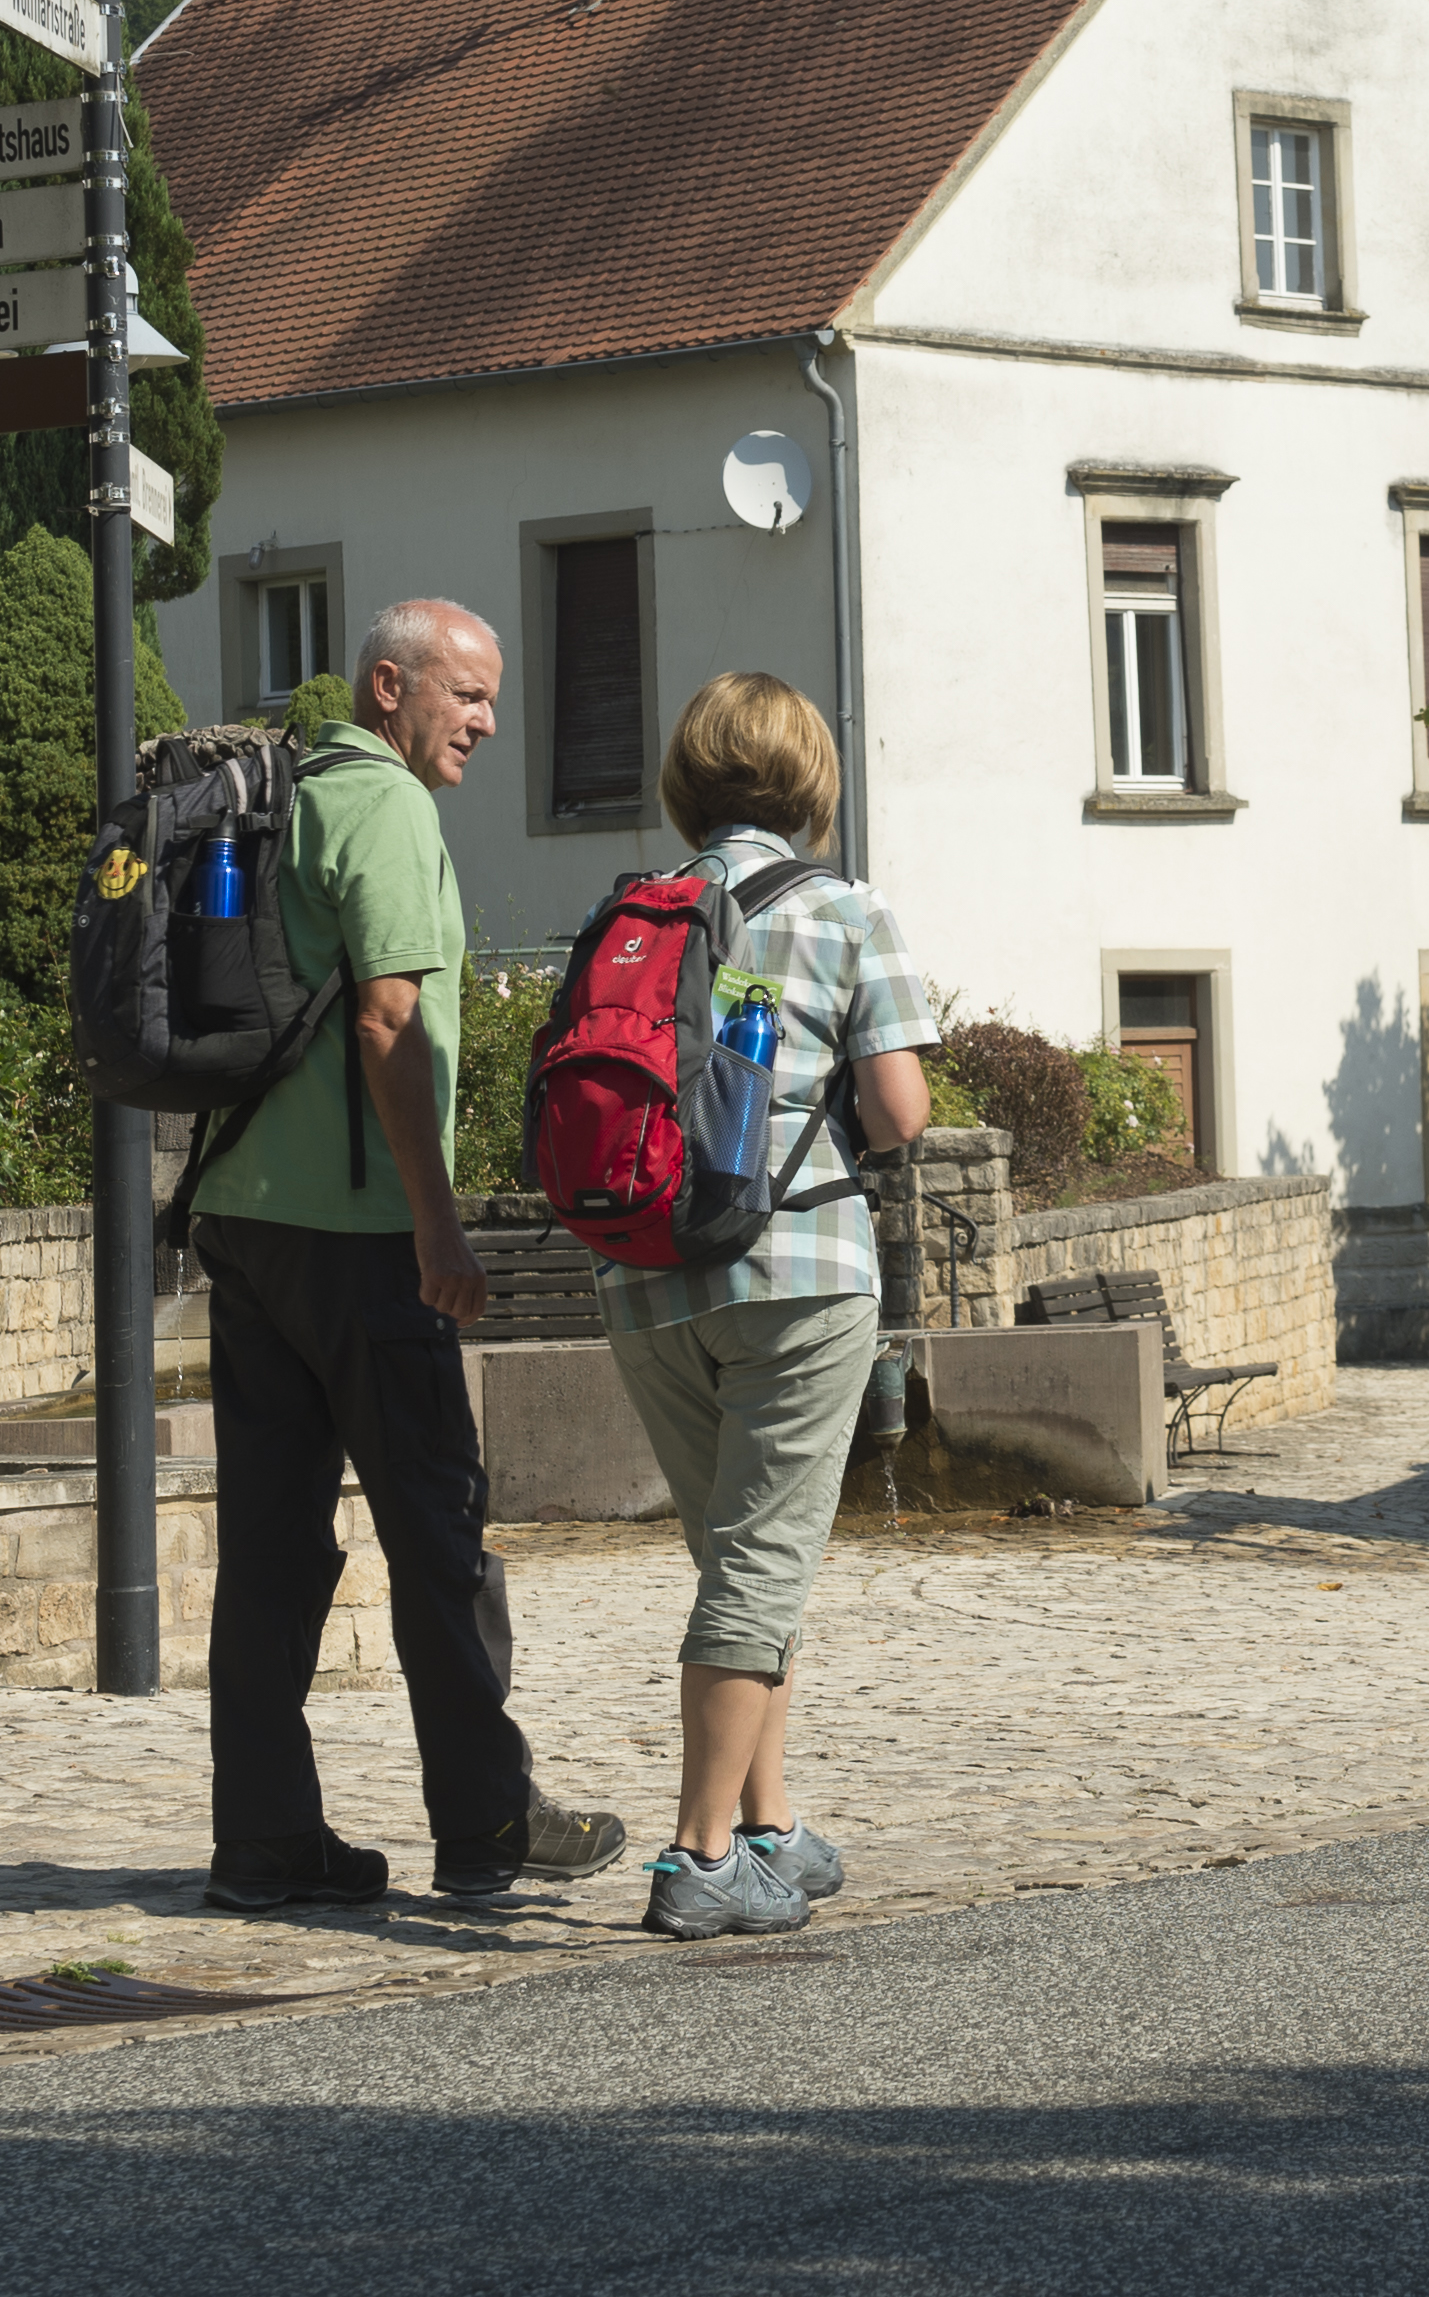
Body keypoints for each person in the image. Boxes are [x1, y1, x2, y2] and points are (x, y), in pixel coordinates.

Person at [183, 597, 624, 1915]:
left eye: (492, 699)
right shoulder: (382, 807)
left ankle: (265, 1840)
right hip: (360, 1236)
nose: (486, 722)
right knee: (439, 1532)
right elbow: (388, 1016)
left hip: (245, 1215)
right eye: (466, 695)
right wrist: (437, 1220)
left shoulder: (286, 795)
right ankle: (487, 1823)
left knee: (271, 1546)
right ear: (390, 687)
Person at [594, 671, 940, 1939]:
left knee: (738, 1555)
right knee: (757, 1564)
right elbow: (897, 1114)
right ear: (808, 781)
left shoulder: (636, 910)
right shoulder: (843, 908)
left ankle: (767, 1826)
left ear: (688, 782)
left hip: (644, 1272)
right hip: (797, 1270)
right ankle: (696, 1857)